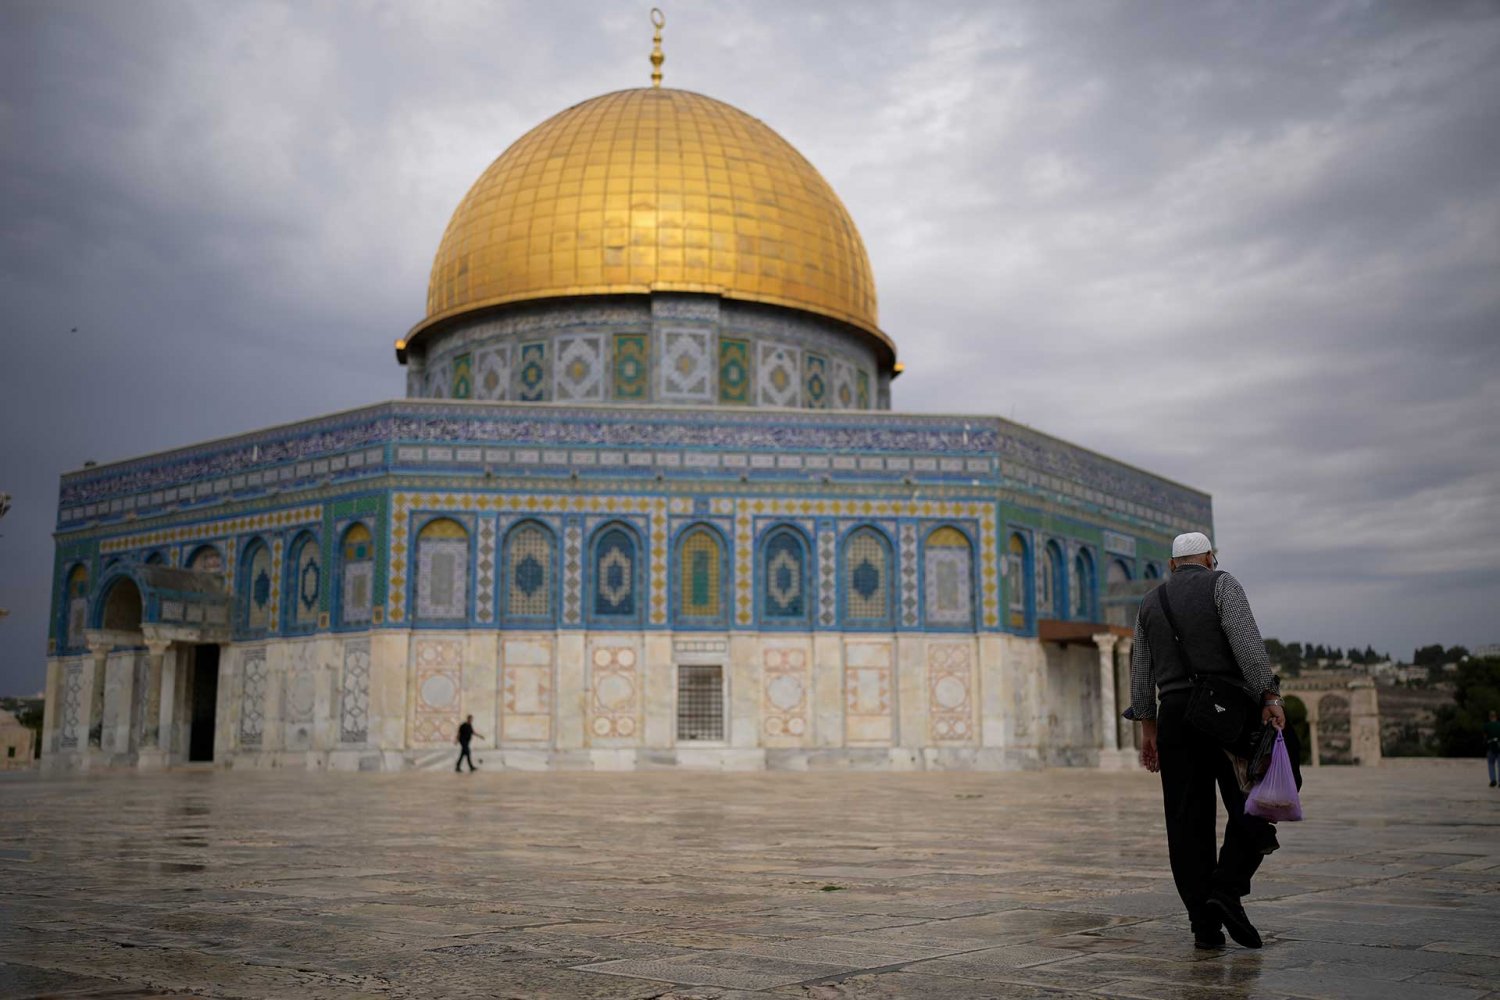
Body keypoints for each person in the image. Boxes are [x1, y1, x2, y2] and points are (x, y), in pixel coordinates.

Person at [1129, 532, 1286, 951]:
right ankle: (1227, 888)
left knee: (1185, 821)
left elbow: (1141, 673)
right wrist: (1269, 695)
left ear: (1171, 564)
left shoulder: (1149, 602)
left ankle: (1204, 925)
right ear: (1210, 558)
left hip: (1175, 715)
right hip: (1224, 712)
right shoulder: (1223, 585)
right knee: (1254, 799)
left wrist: (1149, 730)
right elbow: (1248, 646)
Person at [1485, 710, 1500, 788]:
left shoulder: (1487, 725)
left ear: (1490, 717)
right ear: (1496, 717)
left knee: (1491, 764)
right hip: (1499, 746)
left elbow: (1485, 736)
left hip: (1491, 746)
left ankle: (1493, 780)